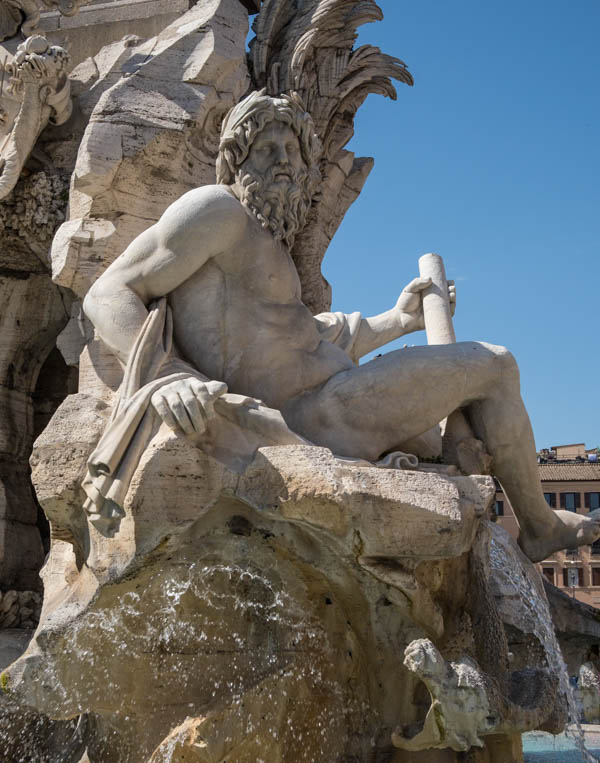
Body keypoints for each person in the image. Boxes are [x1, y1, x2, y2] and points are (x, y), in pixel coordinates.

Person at [83, 91, 600, 561]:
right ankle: (540, 525)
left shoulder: (268, 244)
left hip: (336, 397)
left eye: (293, 151)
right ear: (235, 162)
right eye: (267, 149)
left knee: (455, 417)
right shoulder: (216, 211)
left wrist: (398, 321)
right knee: (495, 365)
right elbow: (108, 293)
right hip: (318, 416)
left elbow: (311, 337)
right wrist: (169, 375)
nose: (284, 162)